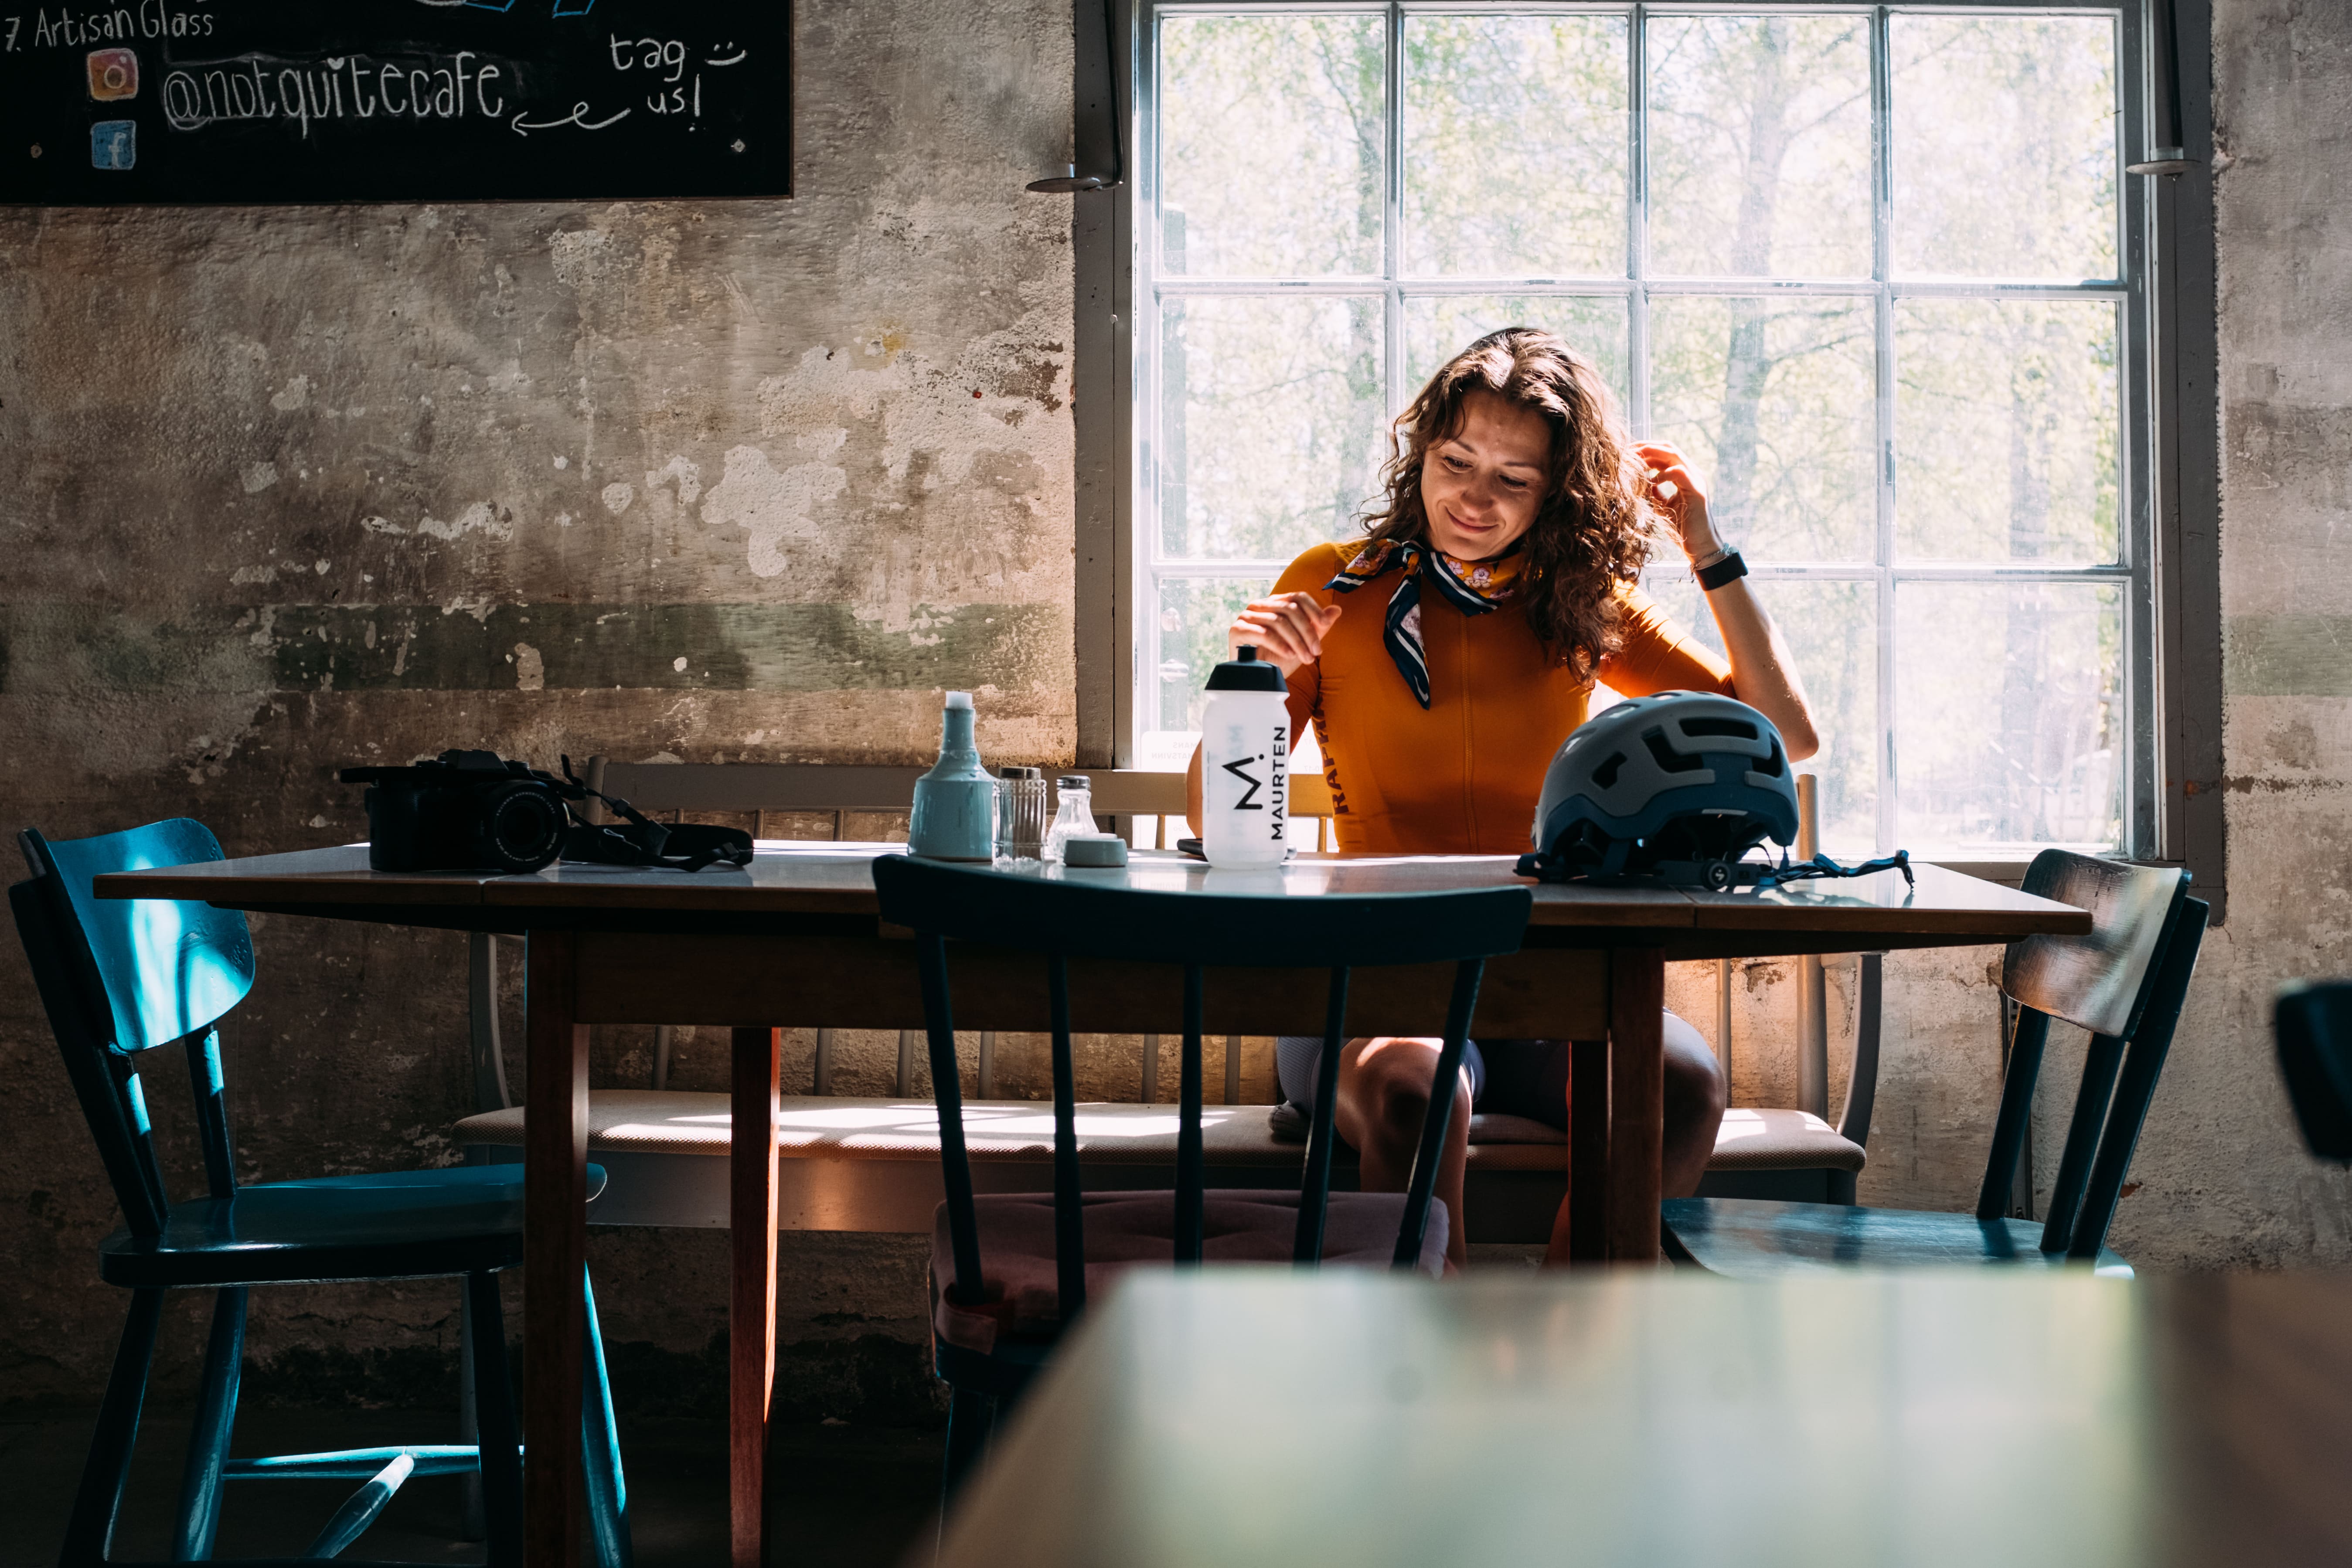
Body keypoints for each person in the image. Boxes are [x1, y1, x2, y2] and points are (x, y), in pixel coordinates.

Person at [1186, 327, 1820, 1269]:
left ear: (1556, 494)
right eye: (1456, 462)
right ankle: (1417, 1373)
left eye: (1513, 479)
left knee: (1683, 1082)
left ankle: (1578, 1327)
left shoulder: (1579, 602)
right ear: (1421, 455)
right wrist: (1255, 679)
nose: (1473, 499)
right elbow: (1210, 817)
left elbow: (1784, 735)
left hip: (1548, 980)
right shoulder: (1335, 585)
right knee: (1419, 1089)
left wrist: (1705, 548)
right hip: (1375, 978)